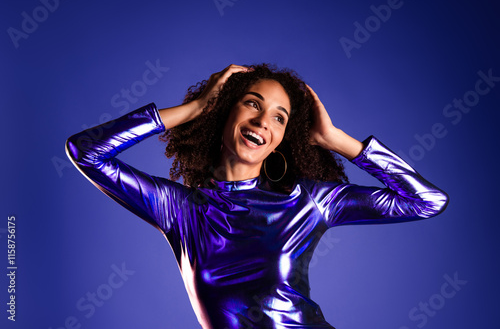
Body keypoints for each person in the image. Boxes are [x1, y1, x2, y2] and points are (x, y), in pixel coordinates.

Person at [66, 64, 449, 329]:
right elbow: (87, 152)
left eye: (280, 117)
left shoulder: (308, 201)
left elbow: (427, 201)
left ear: (283, 139)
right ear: (224, 113)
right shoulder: (179, 210)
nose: (263, 121)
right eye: (252, 103)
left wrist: (337, 141)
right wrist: (195, 109)